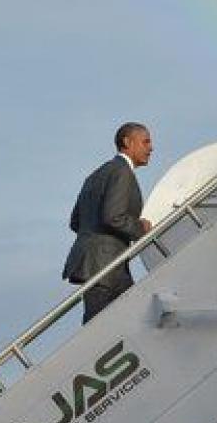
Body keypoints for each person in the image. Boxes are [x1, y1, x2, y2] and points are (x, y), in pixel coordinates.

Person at [62, 122, 153, 324]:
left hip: (100, 264)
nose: (151, 148)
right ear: (127, 142)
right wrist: (141, 227)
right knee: (104, 327)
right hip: (106, 266)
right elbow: (113, 216)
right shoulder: (122, 172)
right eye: (145, 141)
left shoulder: (96, 175)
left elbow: (76, 222)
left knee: (119, 322)